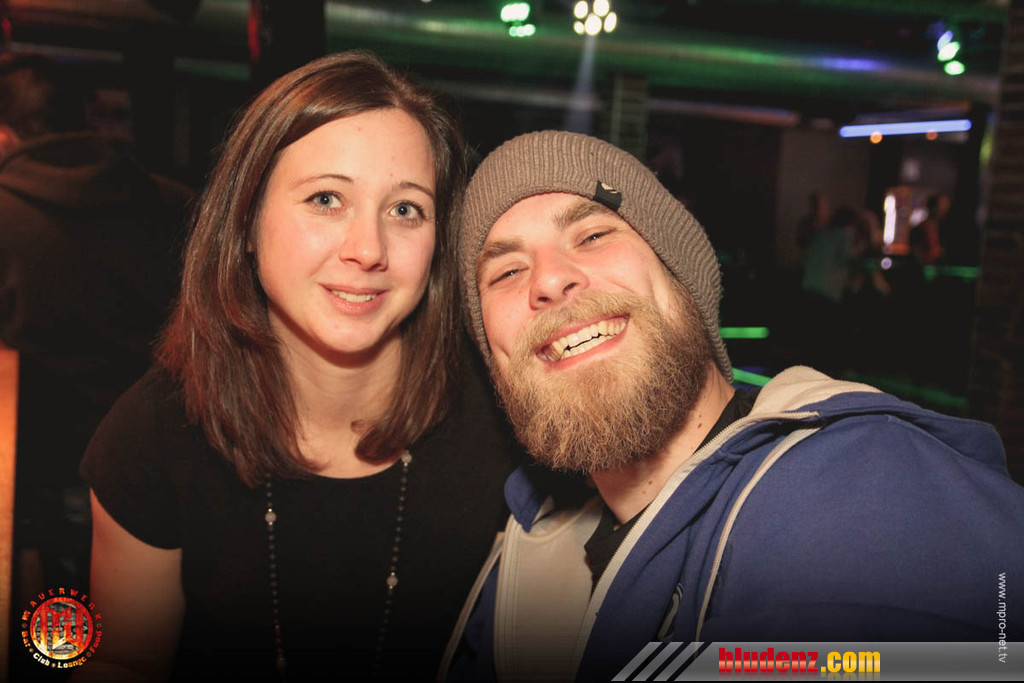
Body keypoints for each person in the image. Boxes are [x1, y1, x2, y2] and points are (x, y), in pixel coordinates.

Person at [443, 131, 1024, 681]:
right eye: (507, 271)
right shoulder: (526, 548)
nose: (549, 279)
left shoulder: (859, 496)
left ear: (682, 277)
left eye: (593, 236)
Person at [78, 51, 520, 681]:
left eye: (405, 210)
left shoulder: (504, 424)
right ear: (246, 224)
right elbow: (122, 660)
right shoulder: (154, 434)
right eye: (325, 199)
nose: (368, 250)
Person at [0, 52, 193, 609]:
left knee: (66, 626)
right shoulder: (173, 203)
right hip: (174, 460)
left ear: (4, 134)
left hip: (53, 469)